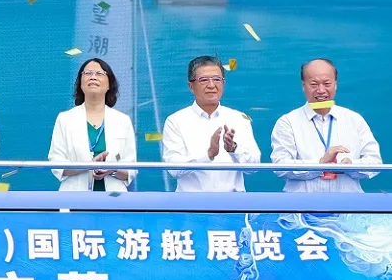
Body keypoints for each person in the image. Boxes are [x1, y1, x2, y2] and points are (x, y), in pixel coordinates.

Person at [271, 58, 381, 192]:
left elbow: (375, 162)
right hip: (302, 203)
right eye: (314, 84)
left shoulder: (354, 119)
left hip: (348, 203)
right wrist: (320, 164)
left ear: (335, 84)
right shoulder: (288, 122)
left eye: (327, 83)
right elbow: (280, 166)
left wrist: (351, 166)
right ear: (303, 86)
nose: (321, 90)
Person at [162, 55, 260, 192]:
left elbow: (254, 167)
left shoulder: (239, 118)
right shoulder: (175, 121)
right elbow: (174, 169)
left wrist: (234, 149)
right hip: (191, 202)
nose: (211, 85)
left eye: (217, 79)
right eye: (204, 80)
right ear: (191, 86)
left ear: (223, 83)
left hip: (233, 202)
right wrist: (208, 155)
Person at [48, 58, 137, 191]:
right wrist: (88, 165)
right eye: (88, 73)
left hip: (114, 196)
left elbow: (131, 169)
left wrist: (111, 170)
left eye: (99, 73)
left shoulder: (122, 120)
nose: (93, 77)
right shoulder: (65, 119)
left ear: (109, 84)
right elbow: (57, 164)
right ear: (80, 83)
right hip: (74, 195)